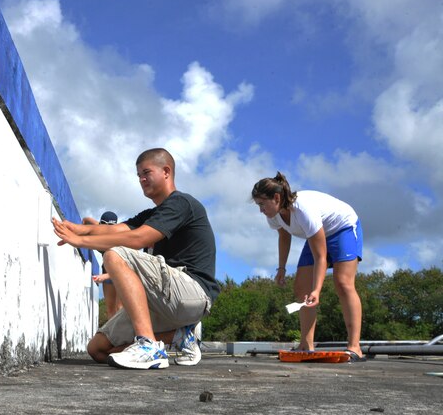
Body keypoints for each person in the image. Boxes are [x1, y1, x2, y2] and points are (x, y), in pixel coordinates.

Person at [52, 148, 219, 369]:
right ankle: (180, 336)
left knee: (115, 253)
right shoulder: (152, 214)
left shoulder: (181, 203)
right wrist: (77, 229)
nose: (141, 179)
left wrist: (80, 241)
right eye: (138, 175)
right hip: (165, 301)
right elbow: (116, 230)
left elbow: (137, 239)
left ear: (166, 171)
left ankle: (148, 345)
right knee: (98, 350)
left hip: (193, 295)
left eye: (146, 173)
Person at [251, 172, 366, 361]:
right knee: (301, 289)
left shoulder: (303, 210)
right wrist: (281, 268)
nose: (260, 210)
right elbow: (284, 236)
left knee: (343, 283)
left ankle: (355, 347)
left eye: (262, 204)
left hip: (342, 228)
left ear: (277, 198)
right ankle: (306, 345)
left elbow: (320, 256)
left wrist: (317, 290)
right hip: (316, 234)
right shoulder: (273, 214)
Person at [84, 211, 123, 318]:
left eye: (110, 228)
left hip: (122, 270)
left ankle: (123, 333)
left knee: (120, 309)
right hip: (107, 268)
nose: (106, 230)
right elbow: (87, 220)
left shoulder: (120, 239)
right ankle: (113, 334)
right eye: (103, 226)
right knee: (110, 310)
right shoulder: (97, 229)